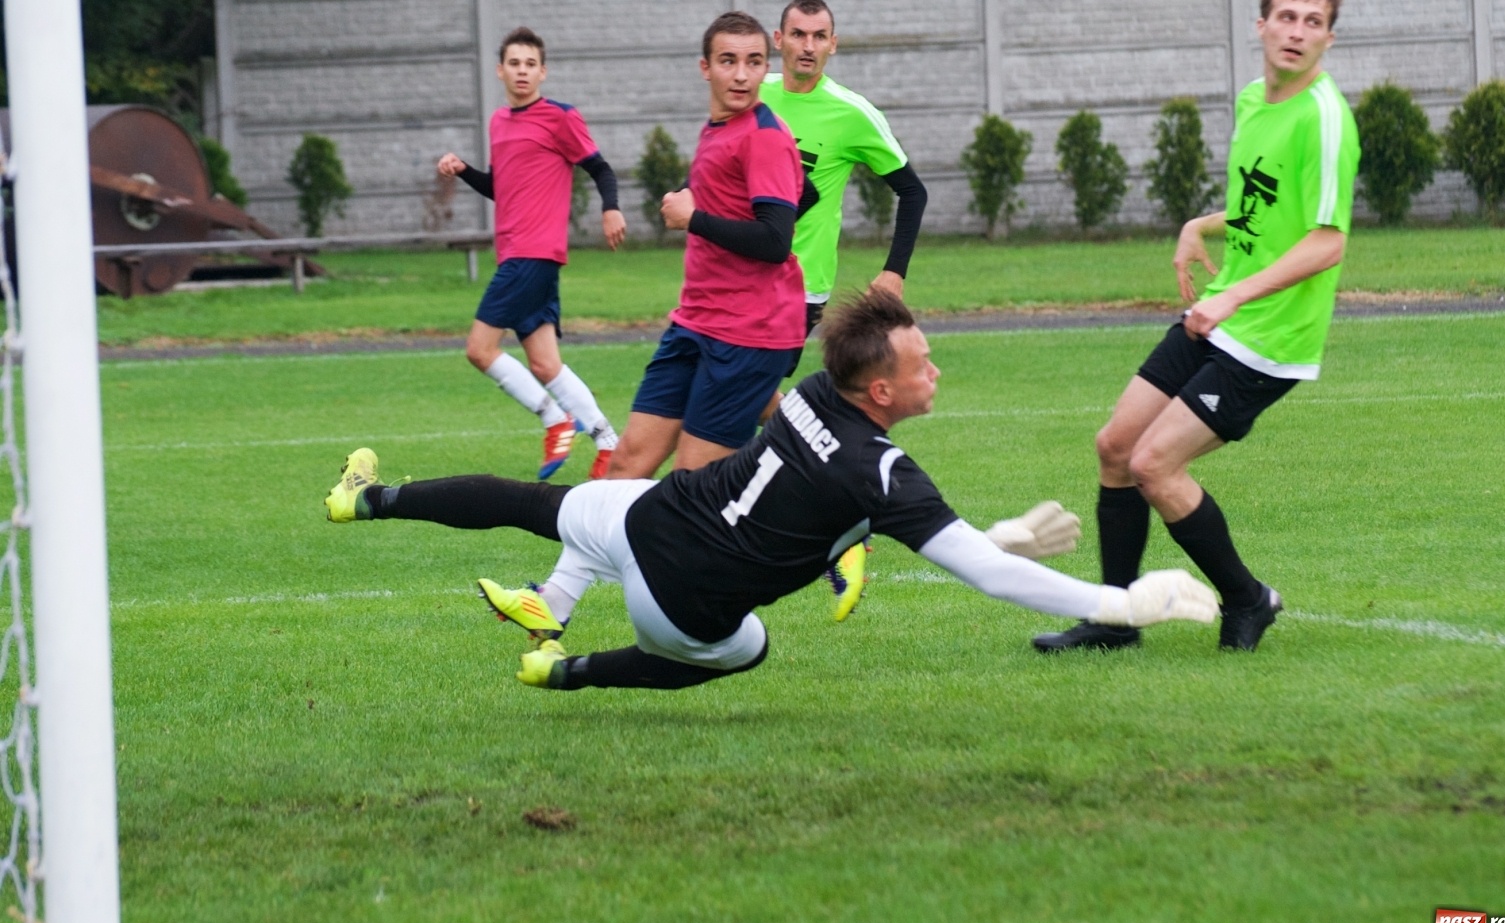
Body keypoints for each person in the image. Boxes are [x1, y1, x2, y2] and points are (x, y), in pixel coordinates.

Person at [323, 291, 1218, 692]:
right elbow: (982, 575)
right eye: (923, 363)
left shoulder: (819, 390)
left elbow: (861, 511)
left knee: (531, 504)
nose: (936, 371)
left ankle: (368, 497)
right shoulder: (885, 473)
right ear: (881, 391)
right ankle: (567, 671)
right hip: (680, 609)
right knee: (743, 651)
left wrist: (995, 538)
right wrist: (1123, 602)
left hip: (646, 517)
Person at [1032, 0, 1359, 656]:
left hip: (1270, 336)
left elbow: (1327, 242)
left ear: (1329, 38)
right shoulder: (1253, 100)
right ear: (1261, 26)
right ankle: (1116, 620)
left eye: (1313, 22)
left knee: (1154, 464)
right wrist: (1199, 225)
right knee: (1115, 447)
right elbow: (1259, 206)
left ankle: (1248, 598)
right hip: (1219, 316)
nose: (1297, 32)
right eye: (1286, 17)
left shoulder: (1325, 119)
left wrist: (1234, 294)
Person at [759, 0, 931, 618]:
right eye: (798, 34)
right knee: (750, 406)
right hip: (736, 280)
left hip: (795, 287)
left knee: (741, 404)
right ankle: (842, 519)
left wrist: (893, 272)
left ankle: (842, 525)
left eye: (819, 35)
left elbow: (912, 191)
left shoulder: (852, 113)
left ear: (834, 44)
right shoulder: (755, 93)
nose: (808, 46)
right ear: (779, 39)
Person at [604, 11, 808, 480]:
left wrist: (694, 218)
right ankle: (817, 459)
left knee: (691, 486)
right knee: (626, 464)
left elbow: (776, 241)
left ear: (766, 67)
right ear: (705, 68)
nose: (741, 75)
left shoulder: (764, 137)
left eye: (753, 62)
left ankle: (825, 492)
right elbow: (803, 191)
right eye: (728, 61)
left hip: (747, 334)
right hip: (695, 322)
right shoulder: (718, 126)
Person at [438, 26, 627, 481]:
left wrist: (610, 209)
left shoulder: (560, 117)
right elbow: (501, 188)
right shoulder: (499, 122)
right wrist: (464, 170)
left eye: (530, 64)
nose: (522, 71)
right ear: (500, 71)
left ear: (543, 72)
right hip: (517, 255)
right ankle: (607, 441)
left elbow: (601, 169)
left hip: (534, 253)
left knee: (479, 350)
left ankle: (555, 420)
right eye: (514, 64)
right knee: (544, 363)